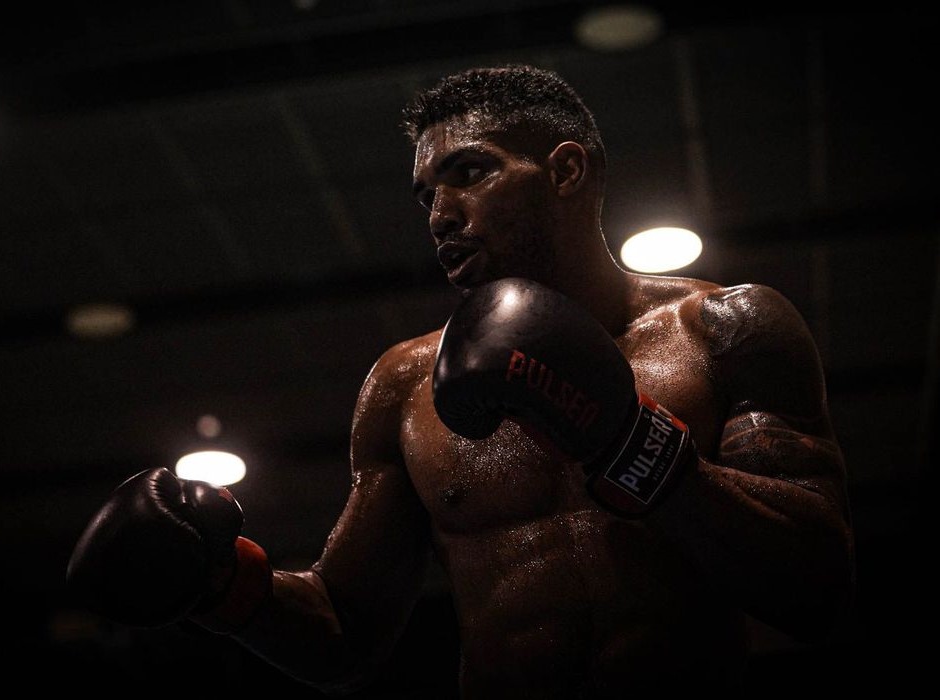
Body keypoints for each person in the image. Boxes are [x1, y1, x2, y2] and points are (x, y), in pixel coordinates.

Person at [66, 64, 856, 698]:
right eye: (425, 194)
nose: (440, 212)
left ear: (567, 170)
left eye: (469, 173)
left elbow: (816, 587)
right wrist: (221, 586)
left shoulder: (727, 329)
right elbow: (344, 630)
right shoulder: (404, 386)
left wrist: (628, 442)